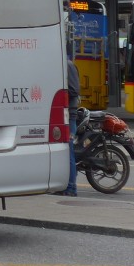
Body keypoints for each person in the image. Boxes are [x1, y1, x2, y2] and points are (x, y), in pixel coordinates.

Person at [55, 47, 80, 196]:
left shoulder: (68, 65)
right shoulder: (62, 64)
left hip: (69, 117)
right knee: (64, 153)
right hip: (63, 116)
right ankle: (64, 186)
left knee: (67, 153)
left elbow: (73, 90)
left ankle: (71, 188)